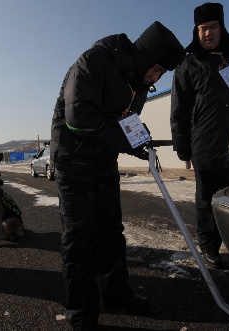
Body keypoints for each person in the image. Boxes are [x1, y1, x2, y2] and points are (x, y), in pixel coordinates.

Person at [50, 21, 185, 330]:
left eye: (161, 74)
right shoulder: (93, 61)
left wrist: (141, 141)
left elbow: (126, 121)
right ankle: (81, 312)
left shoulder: (136, 82)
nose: (156, 77)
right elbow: (80, 119)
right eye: (156, 70)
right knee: (79, 236)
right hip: (73, 159)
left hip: (102, 160)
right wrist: (126, 141)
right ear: (143, 56)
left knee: (111, 231)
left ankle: (116, 294)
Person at [170, 3, 229, 268]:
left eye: (212, 27)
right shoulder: (188, 64)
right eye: (202, 29)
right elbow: (179, 107)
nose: (207, 34)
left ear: (222, 27)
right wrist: (182, 145)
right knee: (206, 199)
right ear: (195, 31)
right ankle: (209, 246)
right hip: (205, 143)